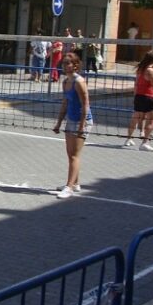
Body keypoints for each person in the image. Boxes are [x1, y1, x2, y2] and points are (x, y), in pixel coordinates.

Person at [53, 52, 93, 199]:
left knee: (74, 155)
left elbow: (85, 104)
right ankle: (75, 183)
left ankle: (69, 187)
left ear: (75, 65)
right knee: (71, 154)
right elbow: (65, 103)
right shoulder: (65, 82)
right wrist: (58, 123)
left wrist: (82, 125)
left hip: (82, 121)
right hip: (71, 119)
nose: (65, 66)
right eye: (63, 63)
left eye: (68, 63)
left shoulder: (79, 82)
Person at [125, 50, 153, 152]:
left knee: (135, 118)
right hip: (148, 96)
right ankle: (145, 142)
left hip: (139, 96)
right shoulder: (151, 71)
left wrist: (135, 96)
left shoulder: (140, 69)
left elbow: (136, 84)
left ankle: (128, 139)